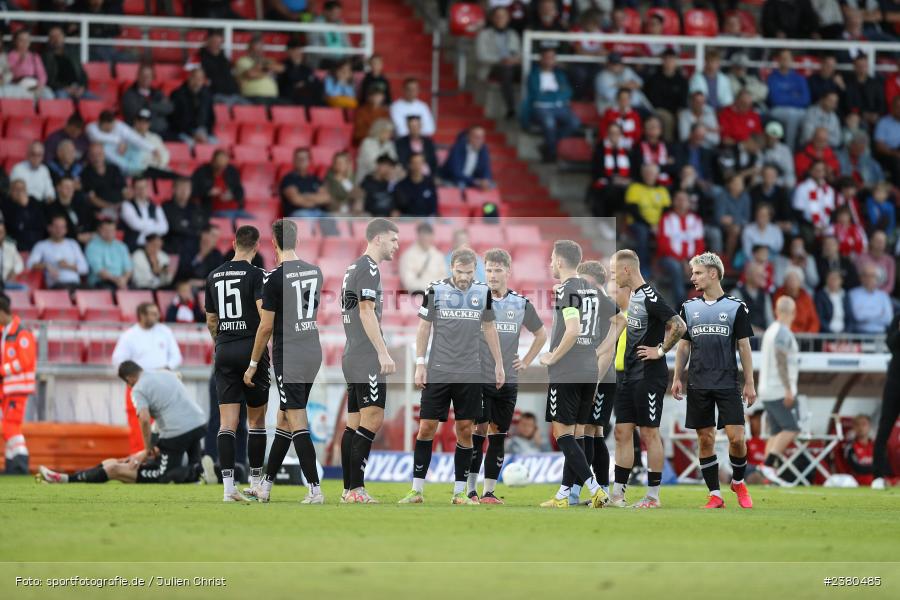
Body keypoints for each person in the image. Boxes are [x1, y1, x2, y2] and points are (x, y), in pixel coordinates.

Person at [398, 247, 505, 505]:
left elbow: (489, 327)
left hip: (470, 371)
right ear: (451, 268)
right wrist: (420, 363)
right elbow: (424, 327)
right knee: (426, 427)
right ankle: (417, 490)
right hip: (438, 370)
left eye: (469, 272)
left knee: (466, 430)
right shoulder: (435, 290)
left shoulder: (482, 292)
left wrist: (499, 363)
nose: (464, 277)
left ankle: (459, 492)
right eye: (460, 271)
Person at [243, 219, 324, 504]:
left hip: (288, 353)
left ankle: (314, 489)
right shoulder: (316, 272)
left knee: (296, 418)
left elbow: (266, 327)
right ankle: (265, 486)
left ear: (274, 243)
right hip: (312, 349)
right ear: (297, 241)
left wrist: (253, 363)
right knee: (284, 418)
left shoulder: (273, 278)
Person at [671, 252, 757, 509]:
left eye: (697, 273)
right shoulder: (688, 308)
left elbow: (744, 347)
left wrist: (750, 382)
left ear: (713, 273)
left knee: (737, 438)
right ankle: (715, 495)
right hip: (698, 382)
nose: (692, 277)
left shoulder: (735, 307)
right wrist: (677, 377)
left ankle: (739, 481)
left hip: (727, 382)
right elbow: (683, 347)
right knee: (705, 439)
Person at [537, 241, 617, 509]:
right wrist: (600, 350)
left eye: (551, 258)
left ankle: (594, 488)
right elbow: (619, 319)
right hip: (588, 368)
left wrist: (552, 356)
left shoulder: (568, 289)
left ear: (560, 261)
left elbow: (572, 329)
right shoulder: (591, 290)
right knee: (579, 433)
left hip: (568, 369)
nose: (549, 263)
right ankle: (563, 495)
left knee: (562, 433)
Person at [38, 361, 211, 485]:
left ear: (129, 379)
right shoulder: (165, 374)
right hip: (199, 423)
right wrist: (148, 449)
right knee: (189, 464)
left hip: (177, 433)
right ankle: (205, 471)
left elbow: (144, 418)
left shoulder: (138, 389)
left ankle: (199, 472)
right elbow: (167, 412)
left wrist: (147, 448)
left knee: (163, 476)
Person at [467, 248, 547, 504]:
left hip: (508, 379)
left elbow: (541, 335)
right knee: (477, 432)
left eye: (497, 270)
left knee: (498, 434)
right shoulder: (474, 298)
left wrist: (526, 360)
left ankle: (489, 492)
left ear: (508, 272)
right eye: (488, 269)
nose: (492, 275)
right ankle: (469, 490)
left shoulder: (520, 303)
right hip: (480, 376)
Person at [611, 249, 687, 508]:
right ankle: (617, 495)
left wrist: (661, 350)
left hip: (648, 376)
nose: (613, 276)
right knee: (622, 432)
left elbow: (679, 325)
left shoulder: (650, 296)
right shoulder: (632, 297)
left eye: (614, 271)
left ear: (627, 270)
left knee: (649, 433)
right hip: (628, 376)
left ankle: (653, 496)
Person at [201, 225, 270, 503]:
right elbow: (264, 317)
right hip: (250, 350)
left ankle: (229, 488)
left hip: (225, 350)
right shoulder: (256, 275)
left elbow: (210, 320)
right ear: (257, 246)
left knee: (226, 423)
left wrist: (221, 342)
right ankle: (254, 482)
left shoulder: (213, 275)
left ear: (233, 243)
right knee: (256, 421)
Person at [338, 219, 400, 503]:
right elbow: (365, 312)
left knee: (354, 424)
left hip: (352, 353)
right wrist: (383, 352)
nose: (396, 246)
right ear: (377, 239)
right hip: (365, 356)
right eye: (392, 240)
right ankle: (356, 489)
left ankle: (349, 489)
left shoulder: (353, 266)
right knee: (372, 419)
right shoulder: (368, 268)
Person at [112, 302, 183, 454]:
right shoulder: (129, 336)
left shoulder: (165, 331)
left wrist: (167, 367)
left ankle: (161, 461)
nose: (157, 316)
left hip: (162, 385)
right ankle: (140, 461)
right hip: (138, 386)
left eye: (157, 313)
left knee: (163, 425)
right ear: (142, 316)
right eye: (152, 313)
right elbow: (118, 361)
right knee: (138, 424)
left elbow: (176, 356)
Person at [756, 296, 801, 485]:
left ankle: (769, 474)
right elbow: (782, 361)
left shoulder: (770, 331)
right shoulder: (782, 332)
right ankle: (768, 464)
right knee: (791, 428)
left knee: (775, 431)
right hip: (778, 389)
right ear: (793, 312)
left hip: (766, 388)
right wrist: (789, 388)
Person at [522, 48, 579, 162]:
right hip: (540, 107)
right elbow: (537, 95)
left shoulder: (560, 75)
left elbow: (568, 92)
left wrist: (549, 94)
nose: (549, 61)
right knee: (549, 123)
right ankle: (551, 154)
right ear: (541, 59)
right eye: (547, 58)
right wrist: (556, 95)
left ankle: (548, 145)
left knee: (575, 123)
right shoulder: (533, 75)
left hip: (559, 107)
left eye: (552, 58)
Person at [0, 293, 35, 473]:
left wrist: (2, 370)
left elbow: (24, 360)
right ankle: (12, 463)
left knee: (10, 426)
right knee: (8, 426)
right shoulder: (5, 332)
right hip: (8, 389)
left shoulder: (21, 333)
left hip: (17, 388)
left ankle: (20, 463)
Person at [657, 190, 705, 307]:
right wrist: (682, 261)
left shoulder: (696, 220)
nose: (681, 202)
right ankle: (681, 305)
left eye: (684, 199)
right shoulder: (667, 219)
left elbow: (700, 244)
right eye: (678, 199)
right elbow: (663, 245)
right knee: (676, 267)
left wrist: (692, 262)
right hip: (668, 258)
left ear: (689, 203)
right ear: (673, 202)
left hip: (691, 259)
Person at [475, 6, 521, 118]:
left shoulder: (513, 34)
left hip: (512, 65)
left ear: (508, 18)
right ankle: (511, 108)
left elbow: (520, 53)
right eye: (497, 17)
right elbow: (481, 56)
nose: (500, 19)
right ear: (492, 19)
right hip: (492, 67)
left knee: (528, 70)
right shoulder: (484, 34)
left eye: (503, 17)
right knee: (506, 71)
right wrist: (501, 60)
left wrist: (515, 60)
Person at [625, 163, 671, 273]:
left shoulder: (662, 190)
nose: (649, 175)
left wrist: (659, 225)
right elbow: (633, 211)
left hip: (658, 224)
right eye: (647, 173)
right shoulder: (634, 188)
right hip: (639, 223)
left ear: (657, 175)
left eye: (652, 173)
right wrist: (650, 225)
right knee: (643, 232)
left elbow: (667, 211)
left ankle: (664, 266)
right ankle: (643, 267)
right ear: (642, 174)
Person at [872, 311, 900, 490]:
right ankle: (878, 476)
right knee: (884, 428)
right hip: (895, 383)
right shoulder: (898, 317)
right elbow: (890, 344)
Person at [86, 111, 157, 177]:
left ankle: (139, 168)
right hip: (105, 155)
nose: (110, 129)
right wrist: (120, 142)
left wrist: (152, 149)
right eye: (107, 128)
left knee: (135, 145)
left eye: (112, 126)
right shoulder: (91, 128)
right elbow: (99, 137)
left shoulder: (118, 124)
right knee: (104, 149)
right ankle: (127, 170)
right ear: (101, 123)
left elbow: (133, 137)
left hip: (121, 149)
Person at [26, 215, 88, 289]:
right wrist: (46, 266)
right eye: (56, 227)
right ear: (49, 228)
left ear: (66, 230)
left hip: (75, 284)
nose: (59, 230)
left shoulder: (73, 244)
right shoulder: (41, 245)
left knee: (92, 292)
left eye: (62, 227)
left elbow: (85, 269)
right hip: (57, 285)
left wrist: (68, 266)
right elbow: (29, 265)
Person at [767, 49, 812, 150]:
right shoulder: (772, 78)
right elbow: (775, 100)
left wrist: (786, 97)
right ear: (778, 60)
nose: (785, 61)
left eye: (787, 58)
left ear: (792, 60)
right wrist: (794, 96)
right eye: (782, 58)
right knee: (792, 115)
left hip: (799, 110)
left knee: (809, 116)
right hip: (777, 110)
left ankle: (806, 147)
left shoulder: (800, 78)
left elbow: (805, 100)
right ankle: (790, 149)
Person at [588, 122, 632, 218]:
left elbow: (632, 171)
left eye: (617, 133)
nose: (614, 136)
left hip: (624, 183)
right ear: (607, 135)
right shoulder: (600, 150)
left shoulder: (627, 151)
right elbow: (597, 171)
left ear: (621, 135)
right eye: (612, 133)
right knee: (609, 192)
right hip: (606, 183)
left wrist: (625, 180)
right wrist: (613, 179)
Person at [643, 48, 688, 142]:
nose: (669, 62)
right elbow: (653, 100)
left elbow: (683, 100)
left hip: (676, 111)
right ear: (662, 61)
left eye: (671, 60)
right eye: (666, 59)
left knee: (684, 116)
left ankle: (684, 144)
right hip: (659, 109)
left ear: (676, 62)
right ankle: (668, 144)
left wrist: (679, 110)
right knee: (668, 118)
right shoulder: (655, 79)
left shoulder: (682, 80)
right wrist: (671, 111)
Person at [121, 64, 173, 136]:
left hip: (161, 132)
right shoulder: (129, 94)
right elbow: (135, 114)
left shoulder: (157, 93)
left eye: (148, 76)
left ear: (152, 78)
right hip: (138, 134)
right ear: (138, 76)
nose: (146, 78)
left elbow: (169, 108)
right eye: (143, 75)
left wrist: (149, 105)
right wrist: (158, 111)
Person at [279, 147, 332, 220]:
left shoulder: (315, 179)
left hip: (318, 213)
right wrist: (315, 200)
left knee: (332, 218)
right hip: (298, 213)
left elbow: (326, 198)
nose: (301, 161)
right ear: (294, 161)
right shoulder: (288, 179)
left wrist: (305, 196)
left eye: (304, 159)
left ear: (310, 161)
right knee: (305, 217)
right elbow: (295, 199)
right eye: (299, 159)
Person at [169, 66, 216, 146]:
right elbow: (175, 119)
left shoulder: (207, 95)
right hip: (183, 132)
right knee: (190, 146)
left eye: (200, 79)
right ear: (189, 77)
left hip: (204, 132)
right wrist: (192, 133)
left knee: (216, 146)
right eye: (195, 77)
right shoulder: (178, 94)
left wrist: (206, 132)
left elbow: (211, 117)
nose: (197, 81)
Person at [191, 149, 245, 218]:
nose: (221, 168)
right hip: (213, 211)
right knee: (228, 219)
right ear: (213, 161)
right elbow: (192, 191)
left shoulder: (232, 171)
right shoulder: (201, 172)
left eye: (224, 165)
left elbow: (240, 191)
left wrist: (232, 195)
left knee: (252, 223)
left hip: (235, 210)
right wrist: (208, 192)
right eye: (218, 165)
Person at [41, 25, 89, 100]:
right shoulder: (45, 57)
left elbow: (83, 74)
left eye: (58, 36)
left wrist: (82, 88)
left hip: (78, 88)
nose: (56, 39)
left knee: (97, 102)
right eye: (53, 37)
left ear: (63, 37)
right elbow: (48, 80)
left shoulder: (73, 54)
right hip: (60, 90)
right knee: (61, 98)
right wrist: (66, 88)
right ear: (49, 40)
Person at [121, 175, 168, 251]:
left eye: (144, 187)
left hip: (153, 247)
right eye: (138, 188)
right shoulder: (127, 205)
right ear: (133, 189)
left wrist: (145, 225)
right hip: (134, 247)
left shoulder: (156, 206)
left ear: (148, 188)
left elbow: (164, 228)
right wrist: (154, 223)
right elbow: (136, 225)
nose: (142, 190)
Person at [198, 30, 245, 106]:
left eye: (218, 42)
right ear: (208, 41)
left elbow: (232, 74)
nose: (216, 44)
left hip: (235, 95)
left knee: (253, 111)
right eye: (214, 41)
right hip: (217, 95)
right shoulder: (200, 57)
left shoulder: (224, 58)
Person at [80, 142, 126, 220]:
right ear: (89, 157)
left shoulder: (114, 169)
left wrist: (124, 204)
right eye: (93, 155)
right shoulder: (85, 173)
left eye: (99, 154)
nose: (96, 158)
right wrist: (111, 206)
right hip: (102, 210)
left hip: (121, 206)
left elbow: (124, 190)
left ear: (104, 154)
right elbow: (92, 198)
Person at [234, 32, 282, 103]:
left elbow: (280, 68)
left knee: (288, 105)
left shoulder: (266, 60)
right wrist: (267, 71)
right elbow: (251, 74)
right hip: (254, 96)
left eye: (260, 49)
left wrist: (263, 68)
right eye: (256, 49)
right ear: (249, 49)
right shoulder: (243, 60)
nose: (259, 52)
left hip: (272, 96)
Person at [398, 222, 446, 293]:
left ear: (432, 236)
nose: (426, 239)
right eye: (423, 236)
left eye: (428, 235)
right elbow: (409, 284)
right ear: (418, 236)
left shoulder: (438, 255)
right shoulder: (408, 256)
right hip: (416, 297)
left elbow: (444, 280)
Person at [85, 218, 132, 290]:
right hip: (101, 282)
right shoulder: (92, 246)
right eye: (106, 230)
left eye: (112, 230)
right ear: (99, 230)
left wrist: (124, 279)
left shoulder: (121, 246)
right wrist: (116, 280)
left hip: (122, 281)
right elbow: (98, 270)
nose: (109, 233)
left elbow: (128, 267)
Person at [730, 262, 775, 337]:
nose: (764, 276)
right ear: (748, 276)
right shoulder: (737, 293)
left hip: (762, 340)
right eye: (759, 274)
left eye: (763, 273)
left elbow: (770, 320)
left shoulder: (765, 295)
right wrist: (755, 331)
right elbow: (736, 321)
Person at [162, 177, 205, 255]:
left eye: (187, 188)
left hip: (192, 249)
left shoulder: (195, 207)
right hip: (172, 249)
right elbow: (175, 227)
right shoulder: (166, 207)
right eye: (181, 188)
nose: (184, 191)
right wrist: (191, 229)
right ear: (174, 189)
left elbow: (199, 227)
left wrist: (186, 227)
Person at [842, 54, 885, 130]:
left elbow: (881, 104)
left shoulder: (875, 83)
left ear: (867, 66)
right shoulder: (848, 83)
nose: (862, 68)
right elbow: (848, 104)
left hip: (873, 118)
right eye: (859, 66)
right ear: (854, 67)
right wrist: (862, 114)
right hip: (855, 117)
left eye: (864, 65)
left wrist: (876, 114)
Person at [6, 29, 53, 99]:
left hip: (34, 84)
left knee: (48, 93)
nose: (24, 43)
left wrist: (40, 85)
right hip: (18, 85)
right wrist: (21, 61)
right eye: (21, 40)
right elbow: (12, 74)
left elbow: (42, 74)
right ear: (15, 41)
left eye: (27, 40)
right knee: (25, 95)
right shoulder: (11, 56)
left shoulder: (34, 56)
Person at [1, 179, 45, 252]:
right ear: (10, 191)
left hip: (37, 242)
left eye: (22, 189)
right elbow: (14, 226)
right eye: (16, 189)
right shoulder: (6, 204)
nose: (20, 192)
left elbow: (40, 223)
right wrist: (22, 207)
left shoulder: (33, 201)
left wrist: (26, 207)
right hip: (17, 244)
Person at [849, 264, 894, 334]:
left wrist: (866, 315)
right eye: (866, 275)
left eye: (872, 276)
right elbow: (857, 316)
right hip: (860, 333)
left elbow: (888, 319)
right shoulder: (853, 294)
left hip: (880, 334)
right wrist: (879, 314)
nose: (869, 278)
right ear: (861, 277)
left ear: (877, 278)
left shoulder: (883, 295)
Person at [773, 267, 820, 333]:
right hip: (785, 334)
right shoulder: (779, 295)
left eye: (795, 279)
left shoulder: (805, 296)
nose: (792, 282)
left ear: (800, 282)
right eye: (790, 279)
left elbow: (814, 320)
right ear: (785, 282)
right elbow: (777, 317)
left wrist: (809, 334)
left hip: (805, 339)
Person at [175, 224, 224, 289]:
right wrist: (200, 257)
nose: (215, 240)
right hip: (182, 284)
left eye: (217, 237)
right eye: (213, 236)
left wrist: (202, 283)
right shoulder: (189, 248)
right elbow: (182, 271)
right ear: (204, 234)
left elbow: (218, 277)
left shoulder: (217, 254)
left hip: (205, 287)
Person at [278, 38, 322, 107]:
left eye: (299, 50)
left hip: (306, 98)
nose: (298, 53)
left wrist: (304, 83)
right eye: (295, 50)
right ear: (288, 51)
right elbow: (290, 79)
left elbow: (316, 83)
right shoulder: (282, 65)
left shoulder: (306, 67)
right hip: (289, 98)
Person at [355, 118, 398, 185]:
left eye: (390, 132)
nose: (389, 135)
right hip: (368, 178)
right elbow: (371, 164)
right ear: (379, 131)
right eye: (387, 132)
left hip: (385, 177)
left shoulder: (389, 144)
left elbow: (394, 161)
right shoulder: (367, 143)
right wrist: (386, 170)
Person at [393, 153, 437, 217]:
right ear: (409, 165)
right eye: (415, 163)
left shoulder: (430, 183)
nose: (417, 166)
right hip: (407, 219)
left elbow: (433, 206)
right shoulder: (401, 185)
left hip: (426, 219)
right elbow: (399, 207)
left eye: (420, 163)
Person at [815, 270, 855, 334]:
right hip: (827, 334)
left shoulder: (845, 295)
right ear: (826, 280)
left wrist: (846, 333)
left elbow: (850, 317)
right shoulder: (820, 296)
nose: (833, 281)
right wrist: (832, 334)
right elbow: (820, 318)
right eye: (831, 278)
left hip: (844, 335)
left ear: (841, 281)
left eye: (836, 279)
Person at [856, 230, 895, 295]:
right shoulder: (861, 258)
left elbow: (890, 285)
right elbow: (858, 280)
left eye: (882, 241)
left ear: (885, 244)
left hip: (882, 295)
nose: (880, 243)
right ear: (871, 241)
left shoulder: (889, 260)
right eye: (877, 240)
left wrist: (878, 295)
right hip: (863, 294)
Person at [352, 82, 389, 146]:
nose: (377, 97)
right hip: (366, 142)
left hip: (382, 142)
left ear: (383, 97)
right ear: (369, 97)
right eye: (374, 95)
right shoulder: (362, 111)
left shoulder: (385, 112)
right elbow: (359, 133)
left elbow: (387, 130)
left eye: (379, 95)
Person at [874, 96, 900, 184]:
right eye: (897, 107)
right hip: (888, 153)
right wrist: (895, 153)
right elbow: (879, 146)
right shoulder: (883, 122)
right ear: (892, 107)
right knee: (897, 162)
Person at [0, 219, 25, 289]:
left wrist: (14, 272)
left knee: (23, 288)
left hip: (6, 283)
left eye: (1, 232)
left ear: (5, 233)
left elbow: (20, 263)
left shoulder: (11, 247)